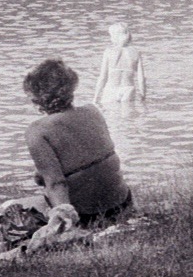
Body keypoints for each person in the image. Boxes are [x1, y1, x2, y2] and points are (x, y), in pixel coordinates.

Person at [23, 58, 133, 228]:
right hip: (122, 203)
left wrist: (67, 226)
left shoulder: (37, 131)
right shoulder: (93, 111)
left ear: (36, 97)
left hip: (86, 215)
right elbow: (93, 156)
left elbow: (56, 183)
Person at [93, 22, 147, 104]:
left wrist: (95, 97)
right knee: (127, 115)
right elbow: (141, 79)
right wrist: (143, 96)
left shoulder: (108, 52)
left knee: (110, 115)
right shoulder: (136, 52)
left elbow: (103, 77)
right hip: (128, 89)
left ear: (114, 36)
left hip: (111, 89)